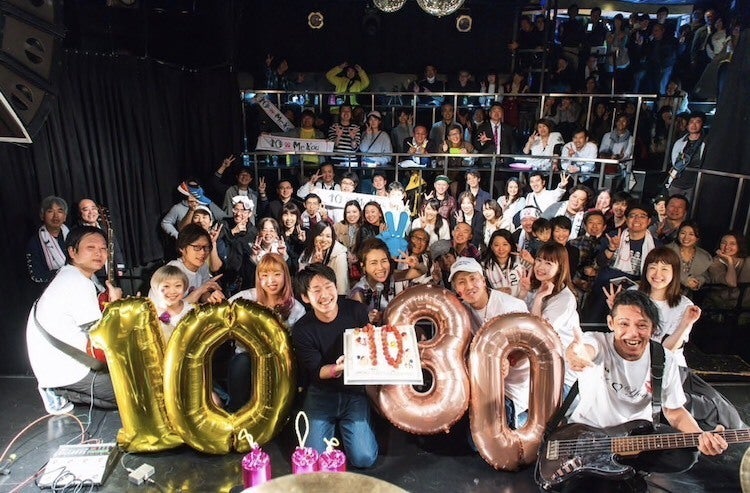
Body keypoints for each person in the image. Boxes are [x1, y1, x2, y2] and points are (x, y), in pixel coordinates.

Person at [563, 289, 728, 492]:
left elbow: (674, 411)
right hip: (591, 435)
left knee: (686, 453)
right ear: (611, 323)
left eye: (642, 325)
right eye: (624, 324)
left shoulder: (664, 358)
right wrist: (576, 354)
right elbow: (584, 349)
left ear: (653, 329)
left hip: (635, 438)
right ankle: (607, 473)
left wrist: (702, 436)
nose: (633, 333)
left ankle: (623, 468)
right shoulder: (597, 341)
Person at [27, 226, 121, 414]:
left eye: (103, 248)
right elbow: (100, 334)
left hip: (57, 365)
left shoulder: (70, 275)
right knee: (134, 394)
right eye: (91, 248)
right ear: (72, 251)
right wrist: (116, 304)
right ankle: (59, 390)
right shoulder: (77, 282)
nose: (99, 253)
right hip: (71, 368)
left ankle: (59, 388)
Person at [292, 264, 378, 468]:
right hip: (321, 394)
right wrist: (336, 369)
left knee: (364, 458)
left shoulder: (356, 311)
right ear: (305, 297)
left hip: (354, 392)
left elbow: (368, 347)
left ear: (336, 286)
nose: (325, 295)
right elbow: (316, 371)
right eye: (316, 290)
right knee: (314, 461)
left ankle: (352, 426)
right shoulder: (302, 329)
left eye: (328, 286)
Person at [449, 257, 529, 428]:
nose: (469, 286)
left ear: (483, 281)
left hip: (513, 387)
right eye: (461, 282)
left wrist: (510, 358)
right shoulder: (461, 311)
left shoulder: (511, 306)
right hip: (483, 384)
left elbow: (530, 345)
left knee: (489, 431)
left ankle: (520, 422)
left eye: (473, 279)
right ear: (457, 289)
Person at [227, 253, 306, 412]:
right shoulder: (245, 298)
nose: (271, 281)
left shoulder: (296, 308)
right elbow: (223, 315)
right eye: (264, 275)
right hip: (247, 359)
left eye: (277, 274)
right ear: (258, 277)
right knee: (241, 363)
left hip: (279, 363)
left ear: (285, 275)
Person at [518, 242, 580, 393]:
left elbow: (538, 334)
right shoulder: (539, 285)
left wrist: (539, 299)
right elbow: (519, 316)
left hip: (561, 376)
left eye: (548, 263)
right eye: (539, 260)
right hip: (539, 363)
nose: (540, 266)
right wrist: (523, 292)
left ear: (560, 268)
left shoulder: (565, 299)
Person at [164, 223, 225, 304]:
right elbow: (172, 307)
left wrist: (211, 298)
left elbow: (203, 294)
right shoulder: (173, 271)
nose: (203, 252)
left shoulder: (203, 266)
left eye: (206, 247)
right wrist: (201, 290)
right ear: (182, 248)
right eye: (197, 247)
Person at [698, 231, 750, 313]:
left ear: (739, 245)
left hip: (742, 307)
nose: (727, 247)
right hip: (718, 307)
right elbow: (731, 283)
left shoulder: (746, 262)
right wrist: (729, 261)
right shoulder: (714, 263)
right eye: (723, 243)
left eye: (732, 244)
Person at [27, 196, 70, 284]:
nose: (56, 216)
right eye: (50, 211)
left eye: (60, 211)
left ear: (65, 217)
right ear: (42, 216)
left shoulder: (73, 236)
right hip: (51, 287)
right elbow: (37, 275)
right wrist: (66, 274)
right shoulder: (35, 242)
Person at [299, 221, 350, 295]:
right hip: (311, 294)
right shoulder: (307, 252)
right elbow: (301, 280)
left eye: (328, 236)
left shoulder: (339, 255)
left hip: (332, 296)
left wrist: (320, 267)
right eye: (320, 235)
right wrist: (313, 264)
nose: (323, 240)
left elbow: (341, 287)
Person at [667, 112, 706, 202]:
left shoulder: (706, 142)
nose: (694, 125)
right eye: (691, 122)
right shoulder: (680, 142)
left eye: (697, 122)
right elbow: (674, 162)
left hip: (694, 183)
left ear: (702, 124)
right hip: (678, 181)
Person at [149, 265, 193, 341]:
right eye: (166, 286)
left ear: (185, 288)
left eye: (178, 286)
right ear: (156, 288)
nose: (172, 291)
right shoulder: (152, 313)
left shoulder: (191, 311)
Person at [666, 221, 712, 293]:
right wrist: (685, 280)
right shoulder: (667, 250)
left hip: (688, 296)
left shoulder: (704, 256)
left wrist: (697, 282)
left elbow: (705, 275)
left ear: (697, 237)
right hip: (666, 291)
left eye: (691, 234)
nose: (686, 237)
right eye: (683, 233)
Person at [482, 229, 524, 297]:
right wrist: (495, 292)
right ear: (491, 247)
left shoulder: (521, 260)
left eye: (505, 244)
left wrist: (530, 260)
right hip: (496, 300)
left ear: (511, 245)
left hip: (522, 299)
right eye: (496, 245)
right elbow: (481, 289)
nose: (501, 249)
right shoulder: (484, 265)